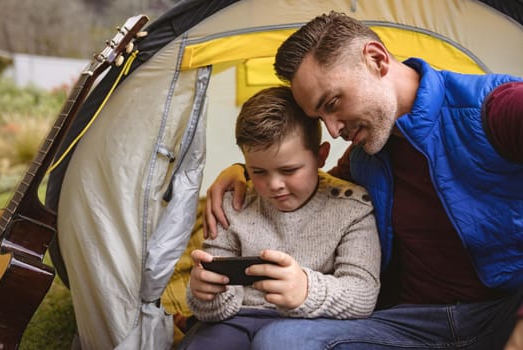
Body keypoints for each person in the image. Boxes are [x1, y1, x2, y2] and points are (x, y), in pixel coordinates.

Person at [203, 11, 523, 350]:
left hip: (502, 312)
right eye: (320, 117)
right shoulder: (364, 157)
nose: (334, 130)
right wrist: (243, 171)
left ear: (376, 59)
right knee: (281, 341)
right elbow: (307, 180)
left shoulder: (496, 108)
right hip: (409, 325)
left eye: (333, 103)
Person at [179, 86, 381, 349]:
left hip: (314, 323)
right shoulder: (233, 203)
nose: (274, 185)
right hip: (236, 320)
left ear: (321, 156)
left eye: (289, 170)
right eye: (259, 172)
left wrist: (306, 290)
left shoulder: (353, 207)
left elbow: (363, 295)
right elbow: (215, 312)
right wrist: (204, 294)